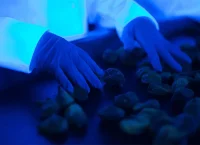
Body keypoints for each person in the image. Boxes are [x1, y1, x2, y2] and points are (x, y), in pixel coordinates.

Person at [0, 0, 194, 93]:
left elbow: (98, 2)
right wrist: (38, 45)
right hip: (10, 79)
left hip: (77, 64)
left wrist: (133, 16)